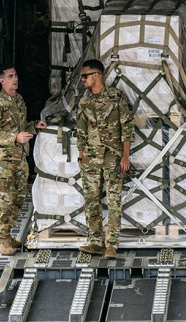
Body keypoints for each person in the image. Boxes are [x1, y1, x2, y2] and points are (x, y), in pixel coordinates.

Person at [75, 59, 133, 258]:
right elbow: (81, 130)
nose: (82, 80)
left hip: (113, 156)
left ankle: (111, 245)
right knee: (91, 200)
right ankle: (95, 241)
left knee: (114, 199)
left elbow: (127, 127)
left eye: (85, 76)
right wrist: (81, 155)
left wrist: (126, 155)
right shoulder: (85, 101)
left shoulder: (116, 97)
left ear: (96, 75)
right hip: (91, 156)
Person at [0, 64, 46, 255]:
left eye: (16, 75)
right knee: (4, 198)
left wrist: (35, 125)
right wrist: (15, 138)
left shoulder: (18, 100)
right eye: (11, 76)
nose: (15, 79)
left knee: (19, 197)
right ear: (2, 80)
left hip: (20, 157)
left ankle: (3, 233)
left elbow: (21, 125)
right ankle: (3, 240)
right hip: (5, 159)